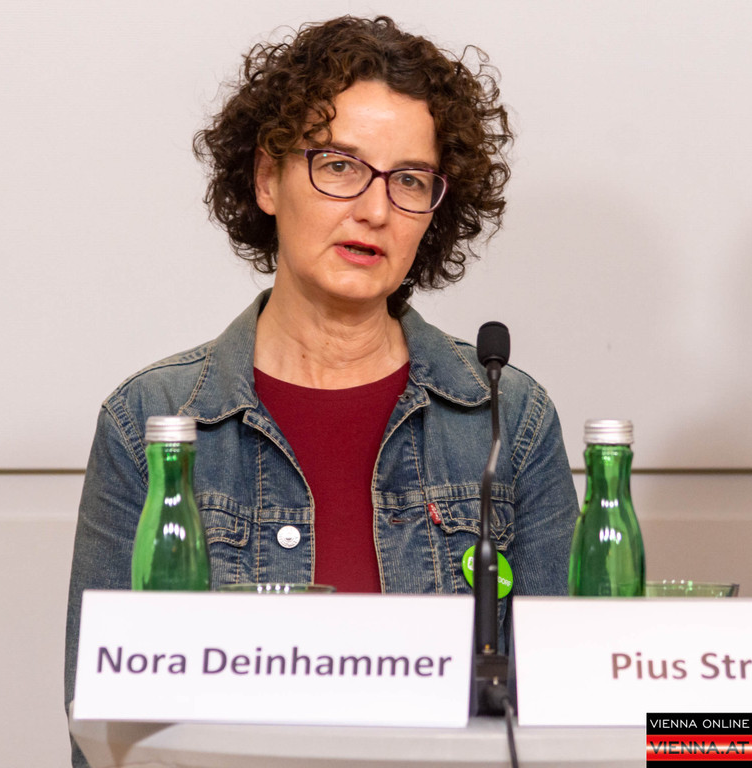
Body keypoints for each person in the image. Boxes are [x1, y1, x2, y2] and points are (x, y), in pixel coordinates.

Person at [65, 15, 578, 765]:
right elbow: (110, 741)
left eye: (409, 180)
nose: (375, 209)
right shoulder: (150, 420)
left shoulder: (510, 418)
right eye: (340, 166)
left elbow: (573, 713)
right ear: (267, 179)